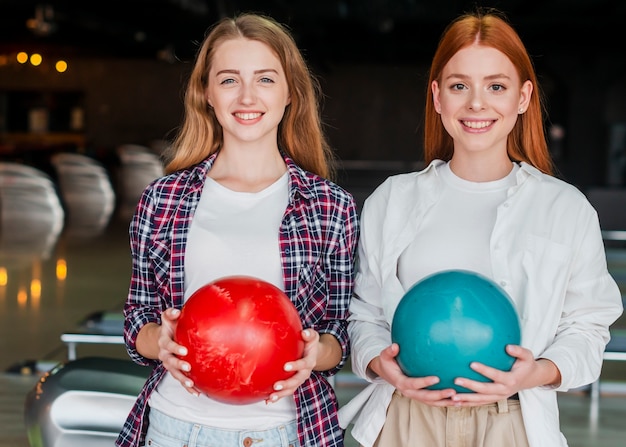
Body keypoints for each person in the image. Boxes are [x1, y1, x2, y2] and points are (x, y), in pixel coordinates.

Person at [339, 9, 623, 447]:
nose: (476, 104)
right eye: (459, 86)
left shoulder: (565, 208)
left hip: (513, 422)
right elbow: (365, 315)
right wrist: (379, 362)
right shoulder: (392, 200)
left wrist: (537, 372)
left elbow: (588, 326)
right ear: (437, 97)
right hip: (407, 418)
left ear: (523, 97)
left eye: (496, 86)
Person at [116, 13, 359, 447]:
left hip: (289, 431)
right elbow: (137, 319)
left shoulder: (330, 206)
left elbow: (339, 332)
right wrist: (161, 340)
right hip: (175, 428)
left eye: (265, 79)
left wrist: (313, 353)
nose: (247, 96)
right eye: (229, 80)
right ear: (206, 93)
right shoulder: (164, 198)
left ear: (290, 94)